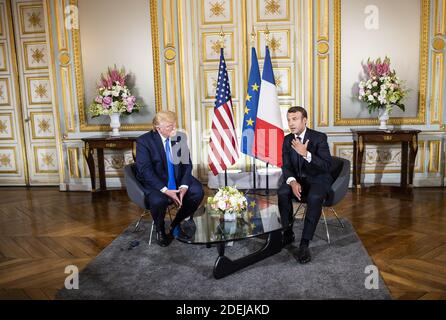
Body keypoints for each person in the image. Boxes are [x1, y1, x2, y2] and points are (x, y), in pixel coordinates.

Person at [135, 111, 204, 247]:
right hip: (156, 182)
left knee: (197, 191)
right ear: (157, 128)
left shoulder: (179, 138)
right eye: (169, 127)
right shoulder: (144, 141)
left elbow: (186, 164)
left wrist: (184, 185)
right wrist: (166, 190)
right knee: (158, 200)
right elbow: (145, 171)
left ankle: (175, 224)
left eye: (174, 125)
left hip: (177, 179)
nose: (174, 129)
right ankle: (160, 229)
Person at [278, 106, 332, 263]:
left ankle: (304, 244)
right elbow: (286, 166)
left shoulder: (319, 137)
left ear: (304, 120)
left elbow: (326, 166)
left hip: (318, 178)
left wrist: (306, 154)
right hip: (298, 180)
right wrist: (292, 181)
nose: (291, 123)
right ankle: (287, 234)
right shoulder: (287, 140)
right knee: (282, 192)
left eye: (294, 119)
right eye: (289, 119)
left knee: (315, 197)